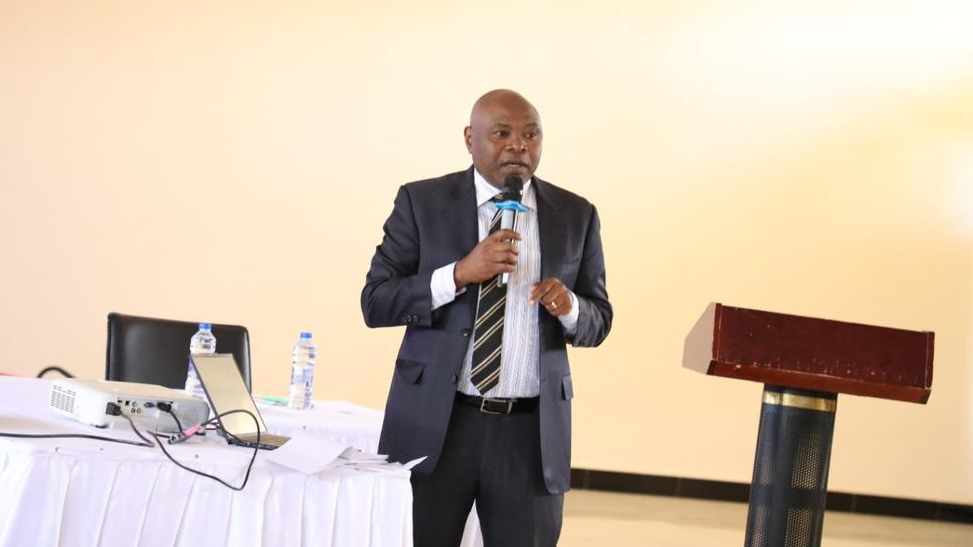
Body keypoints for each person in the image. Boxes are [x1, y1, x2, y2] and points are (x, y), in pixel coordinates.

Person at [361, 89, 612, 547]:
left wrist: (571, 307)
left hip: (530, 435)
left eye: (531, 135)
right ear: (469, 139)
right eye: (502, 134)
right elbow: (376, 301)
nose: (519, 145)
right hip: (438, 426)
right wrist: (458, 274)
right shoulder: (421, 202)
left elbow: (599, 320)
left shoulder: (576, 214)